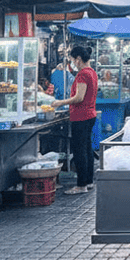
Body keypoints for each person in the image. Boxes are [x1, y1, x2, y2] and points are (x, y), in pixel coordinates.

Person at [52, 45, 99, 195]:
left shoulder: (83, 74)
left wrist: (60, 102)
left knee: (80, 151)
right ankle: (89, 181)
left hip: (81, 117)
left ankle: (81, 185)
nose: (72, 62)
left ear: (78, 59)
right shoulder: (92, 72)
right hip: (90, 115)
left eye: (72, 59)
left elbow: (79, 97)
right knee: (87, 149)